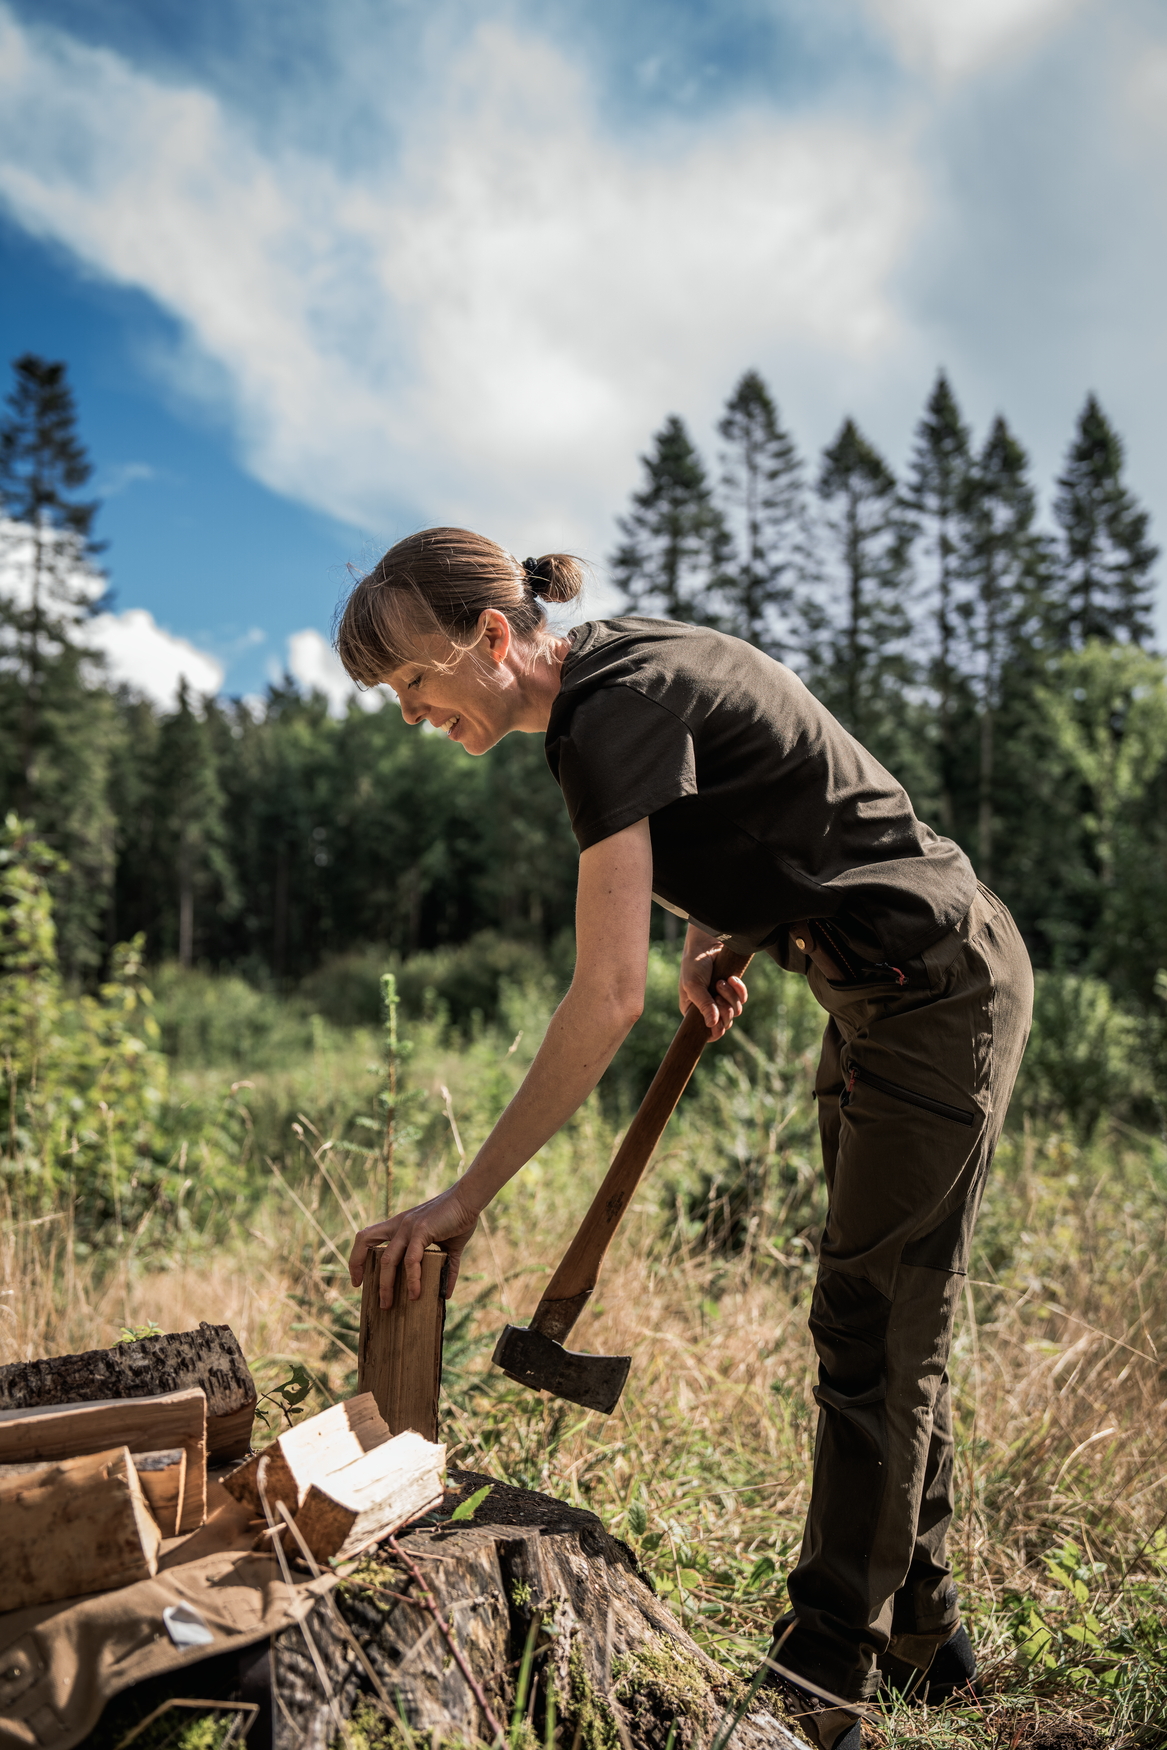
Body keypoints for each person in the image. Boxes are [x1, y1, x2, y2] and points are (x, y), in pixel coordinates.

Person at [337, 527, 1033, 1750]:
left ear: (493, 638)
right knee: (881, 1318)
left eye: (415, 685)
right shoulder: (622, 669)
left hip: (938, 987)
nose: (411, 716)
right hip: (876, 985)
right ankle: (925, 1631)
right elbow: (786, 798)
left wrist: (466, 1196)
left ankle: (822, 1683)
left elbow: (603, 997)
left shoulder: (606, 714)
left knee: (875, 1320)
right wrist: (731, 924)